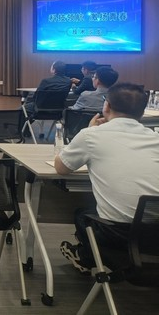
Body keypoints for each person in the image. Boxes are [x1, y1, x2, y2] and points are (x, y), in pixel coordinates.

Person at [54, 83, 159, 275]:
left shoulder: (91, 136)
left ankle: (86, 256)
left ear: (107, 106)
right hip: (155, 236)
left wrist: (89, 130)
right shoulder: (155, 138)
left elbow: (61, 168)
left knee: (82, 215)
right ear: (142, 112)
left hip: (117, 236)